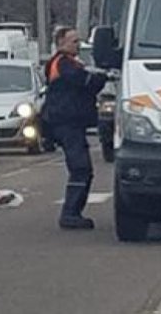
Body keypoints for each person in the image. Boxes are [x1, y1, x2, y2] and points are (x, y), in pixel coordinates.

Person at [42, 26, 108, 230]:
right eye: (74, 41)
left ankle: (73, 212)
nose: (78, 45)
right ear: (61, 43)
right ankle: (70, 213)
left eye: (78, 41)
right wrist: (103, 77)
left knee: (83, 169)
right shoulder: (61, 63)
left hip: (71, 123)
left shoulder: (70, 63)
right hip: (65, 123)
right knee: (80, 168)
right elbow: (84, 81)